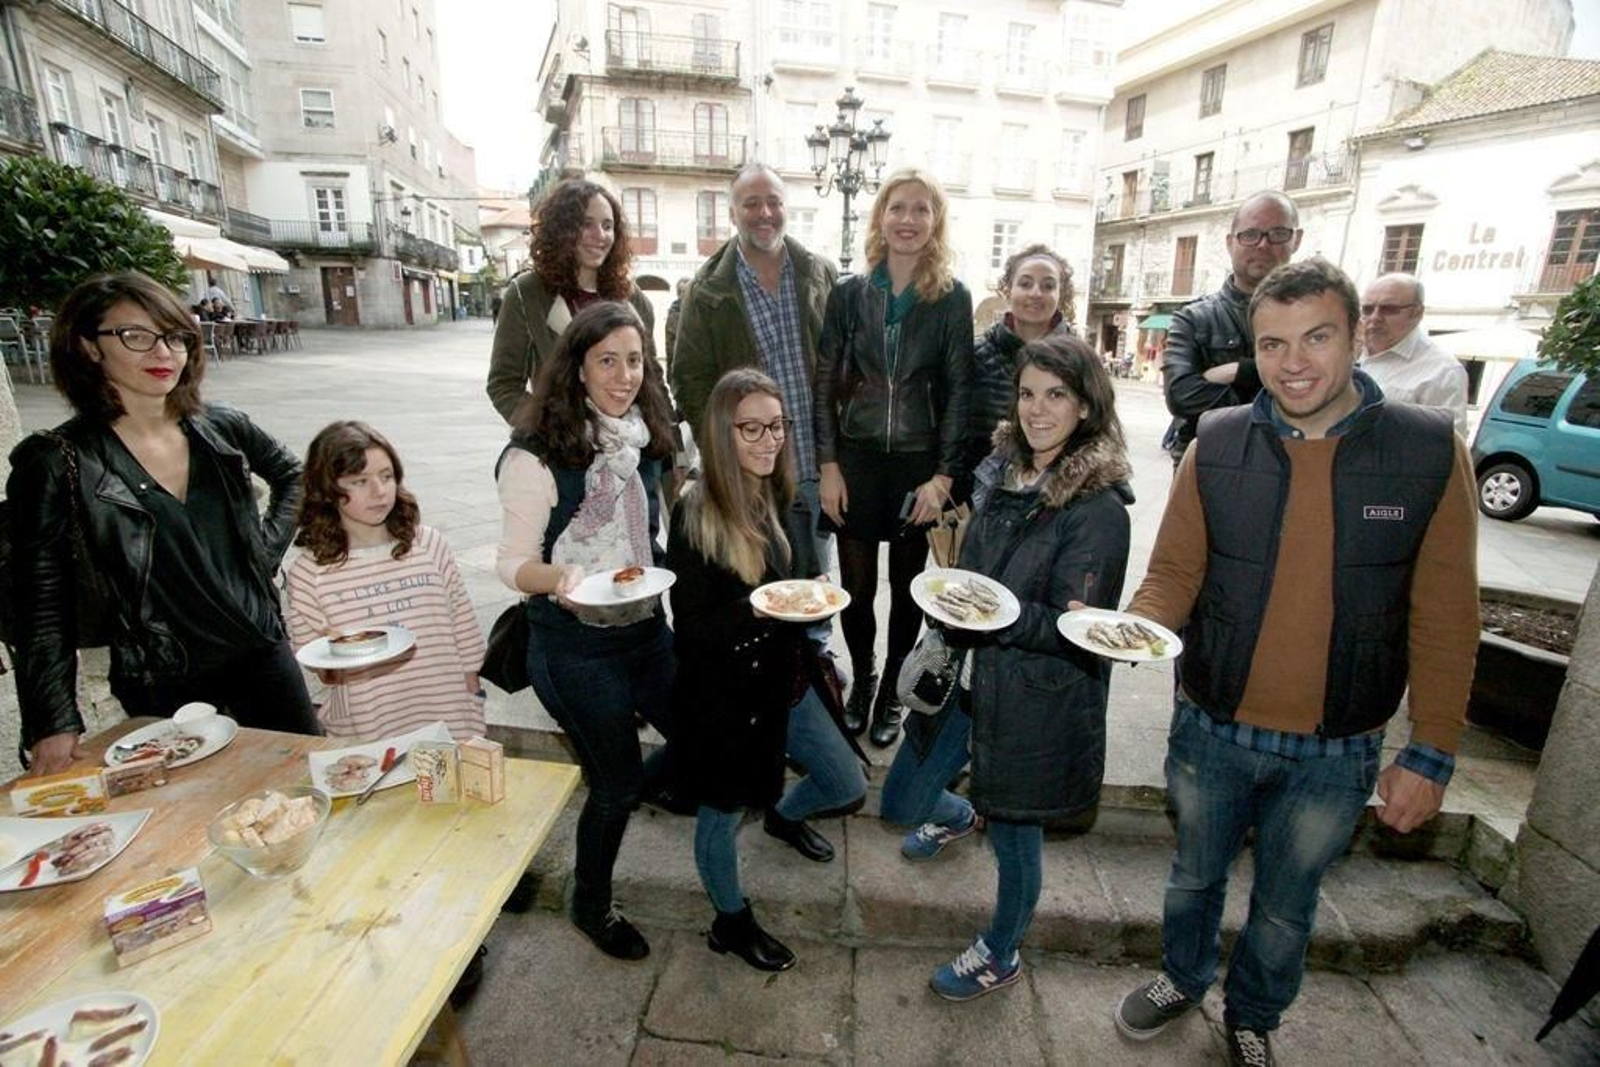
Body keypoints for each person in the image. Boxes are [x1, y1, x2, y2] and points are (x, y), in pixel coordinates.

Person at [1113, 259, 1479, 1066]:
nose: (1295, 361)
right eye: (1273, 343)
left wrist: (1432, 750)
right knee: (1192, 880)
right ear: (1255, 348)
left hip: (1339, 745)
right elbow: (1175, 575)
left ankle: (1254, 1015)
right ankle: (1182, 975)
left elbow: (1449, 614)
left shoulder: (1427, 451)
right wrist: (1128, 631)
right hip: (1212, 725)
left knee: (1285, 906)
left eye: (1317, 337)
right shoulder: (1216, 439)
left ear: (1358, 336)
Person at [879, 336, 1132, 1000]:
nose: (1037, 410)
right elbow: (978, 572)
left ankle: (1001, 951)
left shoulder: (1099, 509)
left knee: (1019, 842)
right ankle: (962, 811)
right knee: (901, 799)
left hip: (1034, 699)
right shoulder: (1010, 472)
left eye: (1056, 395)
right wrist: (952, 597)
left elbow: (1083, 631)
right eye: (1027, 393)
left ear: (1085, 405)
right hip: (968, 679)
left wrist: (1002, 617)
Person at [8, 271, 318, 774]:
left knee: (302, 787)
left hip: (260, 650)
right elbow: (40, 601)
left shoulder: (220, 427)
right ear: (88, 346)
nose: (164, 353)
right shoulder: (58, 460)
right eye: (136, 336)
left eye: (175, 336)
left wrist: (260, 554)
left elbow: (294, 476)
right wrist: (52, 721)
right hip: (163, 676)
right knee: (194, 817)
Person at [494, 300, 678, 961]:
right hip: (572, 644)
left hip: (644, 626)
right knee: (614, 779)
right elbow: (511, 565)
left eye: (634, 360)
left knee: (700, 734)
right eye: (607, 360)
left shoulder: (645, 434)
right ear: (576, 368)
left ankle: (638, 787)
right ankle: (589, 901)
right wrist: (561, 577)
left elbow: (652, 533)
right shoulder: (535, 455)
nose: (624, 374)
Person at [668, 369, 865, 971]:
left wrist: (806, 596)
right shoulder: (694, 512)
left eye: (776, 426)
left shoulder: (774, 493)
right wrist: (761, 608)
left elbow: (783, 585)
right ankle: (730, 922)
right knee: (721, 814)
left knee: (848, 783)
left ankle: (782, 814)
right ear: (722, 433)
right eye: (750, 427)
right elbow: (693, 633)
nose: (767, 440)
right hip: (725, 696)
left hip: (786, 676)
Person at [813, 168, 973, 747]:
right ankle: (862, 679)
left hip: (917, 465)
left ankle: (890, 697)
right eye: (898, 208)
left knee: (908, 590)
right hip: (855, 460)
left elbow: (959, 390)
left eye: (921, 210)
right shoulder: (850, 293)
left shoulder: (951, 297)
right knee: (854, 589)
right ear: (880, 217)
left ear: (936, 223)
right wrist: (828, 465)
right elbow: (825, 381)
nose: (908, 220)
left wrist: (943, 476)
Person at [671, 163, 839, 569]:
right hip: (750, 472)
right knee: (756, 579)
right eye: (751, 204)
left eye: (774, 202)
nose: (765, 213)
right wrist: (724, 450)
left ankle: (813, 635)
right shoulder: (707, 289)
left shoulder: (820, 272)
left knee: (814, 582)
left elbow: (842, 364)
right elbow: (689, 380)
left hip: (815, 465)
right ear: (732, 213)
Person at [286, 421, 487, 741]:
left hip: (446, 713)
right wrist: (334, 648)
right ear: (327, 489)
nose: (379, 492)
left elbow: (463, 626)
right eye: (359, 481)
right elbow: (318, 666)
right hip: (370, 724)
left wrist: (472, 691)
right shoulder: (310, 572)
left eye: (386, 476)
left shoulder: (429, 545)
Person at [486, 180, 656, 423]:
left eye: (607, 226)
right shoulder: (527, 294)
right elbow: (503, 384)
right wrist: (548, 431)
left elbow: (653, 382)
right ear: (561, 229)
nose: (600, 235)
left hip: (632, 449)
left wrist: (668, 446)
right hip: (563, 450)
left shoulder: (632, 297)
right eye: (586, 224)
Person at [1161, 190, 1302, 466]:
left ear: (1296, 239)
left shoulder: (1314, 315)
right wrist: (1279, 401)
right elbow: (1182, 395)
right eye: (1250, 235)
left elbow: (1332, 389)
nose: (1262, 245)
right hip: (1210, 464)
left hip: (1291, 466)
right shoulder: (1194, 318)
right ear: (1230, 242)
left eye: (1277, 234)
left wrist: (1241, 371)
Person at [964, 243, 1076, 482]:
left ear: (1061, 294)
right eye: (1025, 284)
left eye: (1048, 286)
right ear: (1008, 289)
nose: (1035, 293)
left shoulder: (1081, 360)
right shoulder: (974, 355)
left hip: (1054, 496)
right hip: (977, 494)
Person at [1358, 273, 1469, 438]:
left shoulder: (1443, 371)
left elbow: (1447, 446)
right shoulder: (1346, 352)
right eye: (1367, 309)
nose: (1375, 318)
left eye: (1389, 309)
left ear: (1417, 312)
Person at [662, 276, 690, 384]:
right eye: (684, 292)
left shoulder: (688, 311)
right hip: (681, 373)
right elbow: (674, 347)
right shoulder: (676, 314)